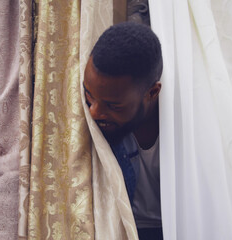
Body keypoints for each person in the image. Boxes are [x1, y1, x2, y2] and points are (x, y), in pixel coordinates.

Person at [83, 22, 163, 239]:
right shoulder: (94, 116)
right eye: (89, 96)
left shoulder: (187, 132)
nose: (94, 113)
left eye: (113, 105)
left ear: (152, 93)